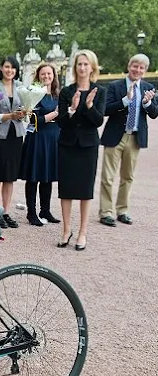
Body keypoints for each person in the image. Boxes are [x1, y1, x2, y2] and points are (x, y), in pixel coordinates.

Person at [99, 54, 158, 226]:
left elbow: (154, 113)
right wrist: (126, 100)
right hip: (115, 135)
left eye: (141, 68)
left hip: (135, 137)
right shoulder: (114, 86)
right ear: (129, 66)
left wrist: (147, 103)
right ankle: (106, 212)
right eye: (135, 66)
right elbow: (105, 110)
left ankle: (122, 210)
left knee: (128, 176)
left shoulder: (148, 87)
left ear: (145, 71)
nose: (137, 70)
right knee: (108, 176)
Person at [56, 50, 106, 251]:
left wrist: (89, 106)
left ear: (92, 67)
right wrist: (72, 110)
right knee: (66, 189)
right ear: (75, 67)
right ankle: (66, 230)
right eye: (79, 64)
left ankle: (82, 232)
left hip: (88, 145)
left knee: (85, 191)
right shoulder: (66, 92)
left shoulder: (99, 91)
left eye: (86, 64)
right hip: (67, 145)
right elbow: (60, 122)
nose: (82, 68)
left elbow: (98, 120)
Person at [0, 56, 25, 229]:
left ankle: (6, 211)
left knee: (10, 176)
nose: (10, 70)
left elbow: (26, 108)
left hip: (16, 135)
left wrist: (24, 113)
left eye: (13, 68)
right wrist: (9, 116)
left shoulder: (21, 87)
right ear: (1, 68)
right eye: (7, 67)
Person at [19, 62, 61, 226]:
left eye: (49, 74)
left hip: (53, 137)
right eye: (43, 74)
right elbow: (33, 120)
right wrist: (55, 114)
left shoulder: (57, 94)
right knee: (34, 176)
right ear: (38, 76)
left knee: (48, 176)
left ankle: (46, 210)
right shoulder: (33, 94)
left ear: (53, 76)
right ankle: (31, 212)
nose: (46, 77)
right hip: (37, 137)